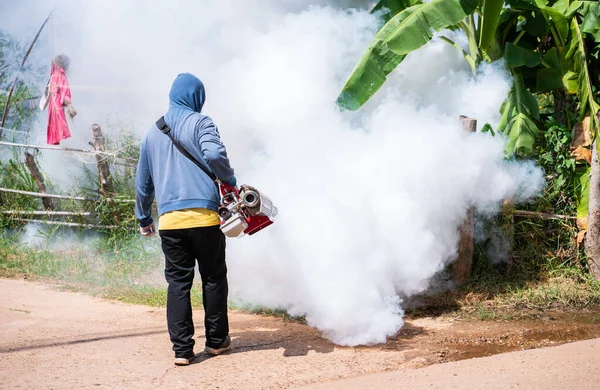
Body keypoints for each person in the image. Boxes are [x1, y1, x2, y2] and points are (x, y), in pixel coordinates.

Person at [135, 73, 237, 366]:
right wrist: (228, 178)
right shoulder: (201, 122)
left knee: (178, 284)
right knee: (213, 278)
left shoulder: (152, 132)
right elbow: (215, 153)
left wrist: (144, 218)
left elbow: (143, 183)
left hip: (170, 222)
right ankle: (217, 342)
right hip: (205, 218)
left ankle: (182, 350)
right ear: (196, 97)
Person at [46, 54, 76, 145]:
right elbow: (59, 91)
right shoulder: (58, 74)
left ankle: (60, 145)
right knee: (58, 125)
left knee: (55, 127)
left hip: (55, 103)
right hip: (56, 104)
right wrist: (64, 104)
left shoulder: (55, 73)